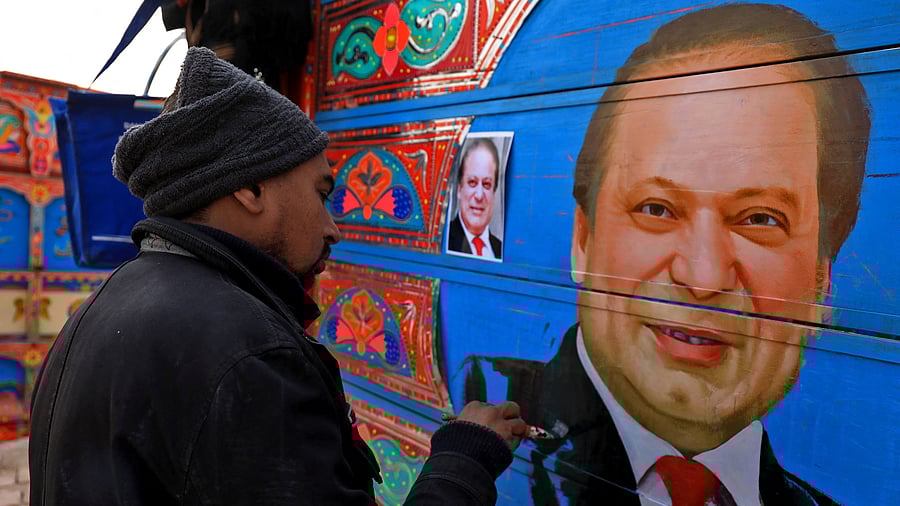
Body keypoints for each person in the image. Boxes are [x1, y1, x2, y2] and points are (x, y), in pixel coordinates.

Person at [29, 47, 527, 505]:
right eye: (321, 194)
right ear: (250, 188)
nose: (333, 228)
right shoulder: (248, 353)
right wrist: (465, 458)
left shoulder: (106, 304)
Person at [462, 4, 870, 505]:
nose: (703, 276)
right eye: (656, 209)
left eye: (760, 219)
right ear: (584, 240)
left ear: (821, 282)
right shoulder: (478, 425)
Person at [447, 138, 503, 259]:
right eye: (472, 182)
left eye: (487, 184)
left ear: (494, 193)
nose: (479, 196)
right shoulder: (444, 240)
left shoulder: (501, 249)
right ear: (459, 189)